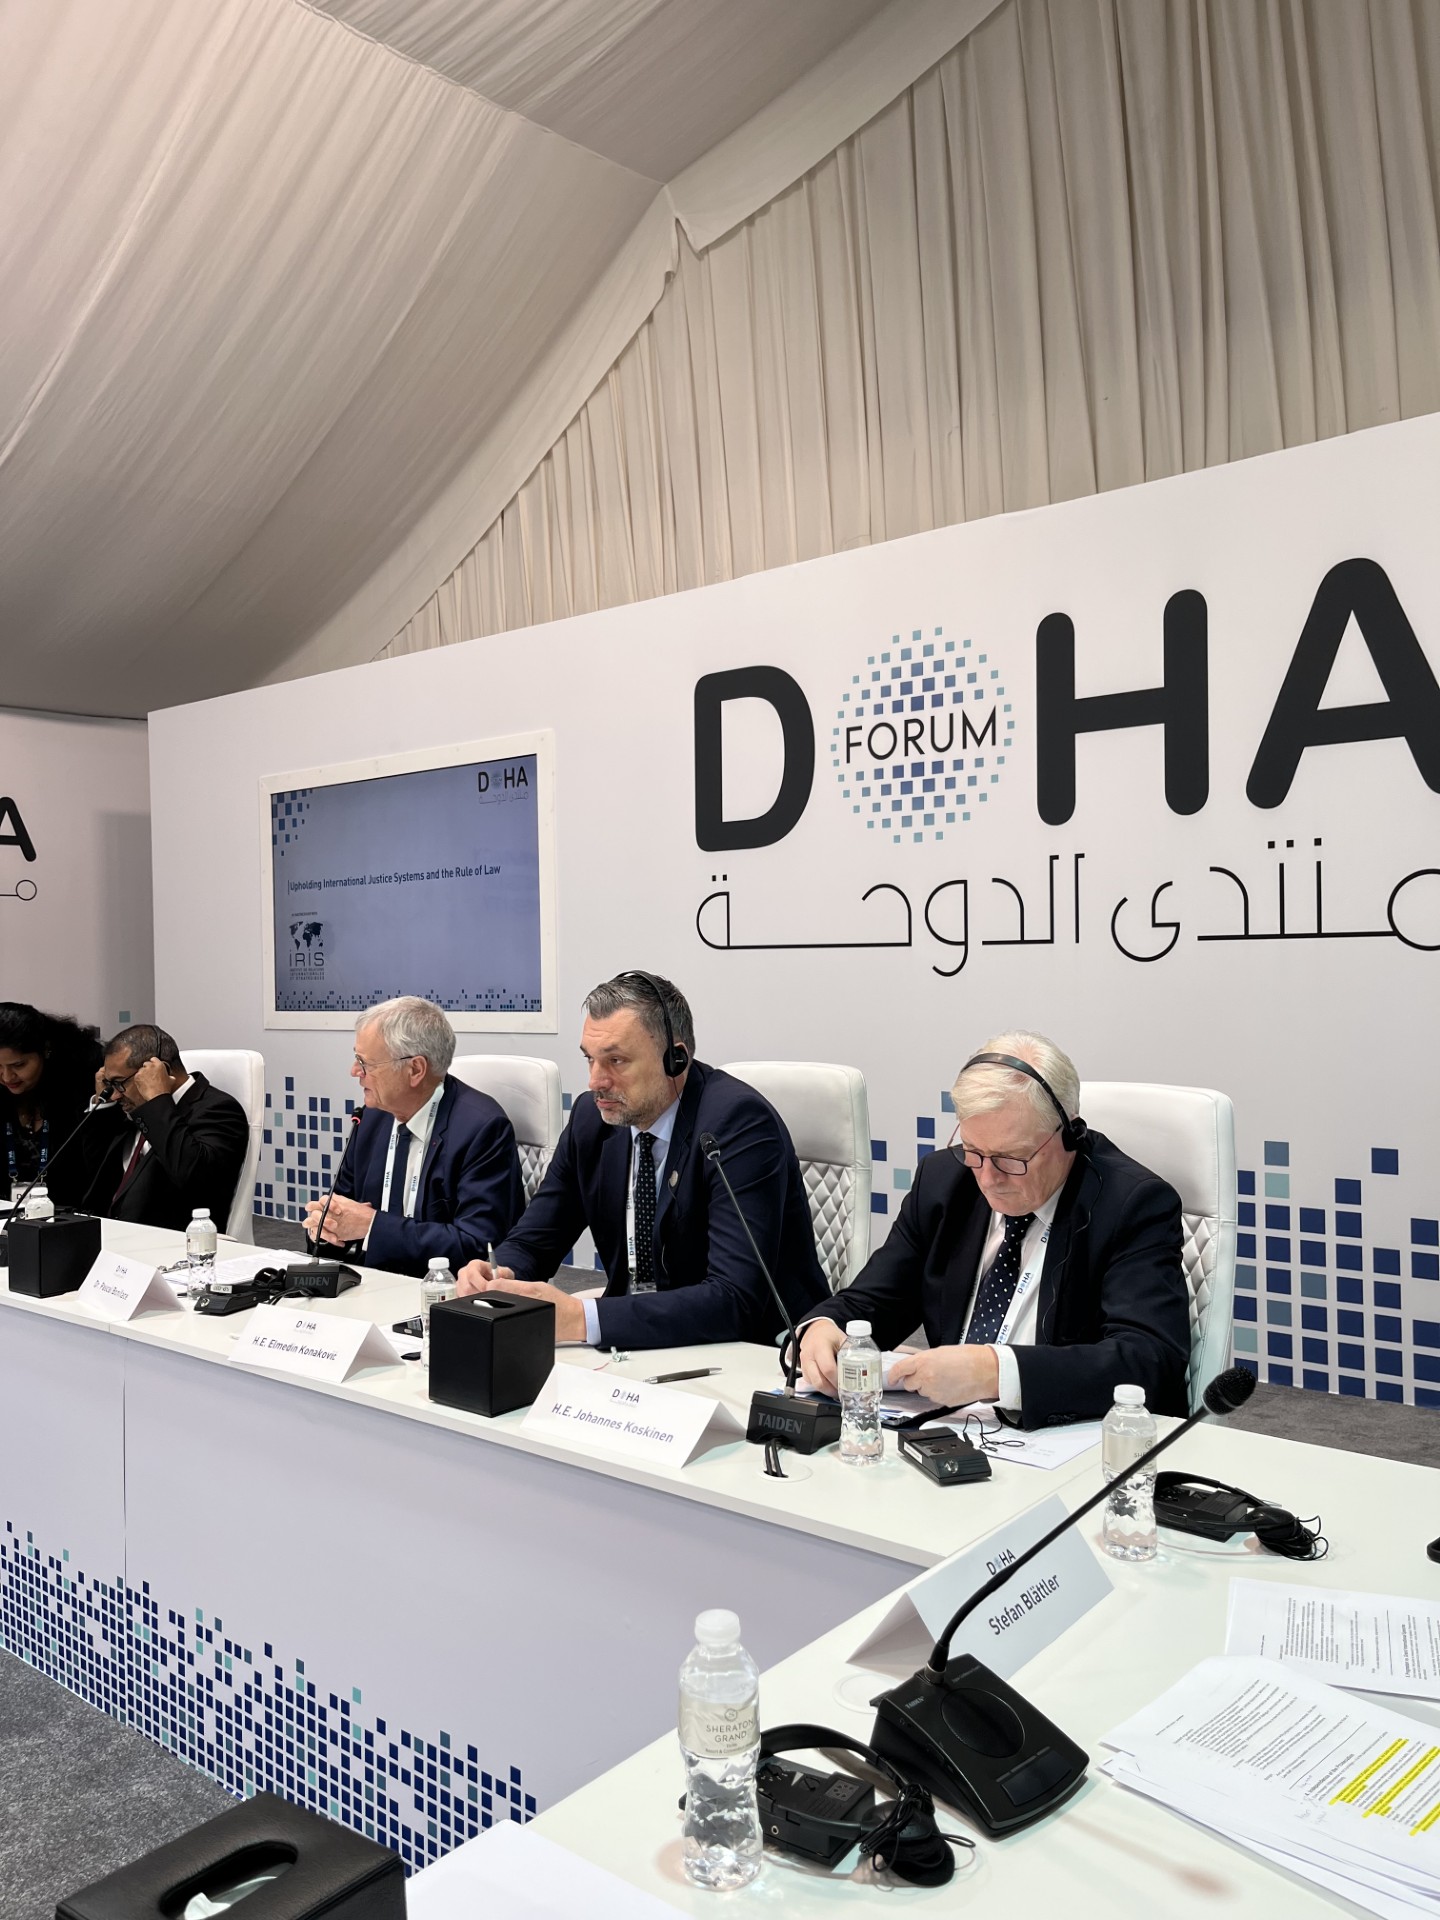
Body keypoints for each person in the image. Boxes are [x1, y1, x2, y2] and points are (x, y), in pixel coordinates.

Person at [798, 1033, 1190, 1426]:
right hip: (950, 1430)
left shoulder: (1132, 1204)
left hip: (1071, 1434)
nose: (988, 1179)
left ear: (1070, 1135)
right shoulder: (943, 1181)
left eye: (1011, 1158)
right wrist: (824, 1328)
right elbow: (875, 1300)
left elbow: (1148, 1359)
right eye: (974, 1151)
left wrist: (995, 1371)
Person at [456, 971, 828, 1349]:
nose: (595, 1081)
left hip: (752, 1351)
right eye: (590, 1059)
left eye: (616, 1060)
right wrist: (501, 1272)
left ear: (675, 1060)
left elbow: (734, 1299)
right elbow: (534, 1241)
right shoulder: (590, 1119)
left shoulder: (736, 1124)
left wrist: (580, 1319)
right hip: (635, 1343)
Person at [302, 997, 523, 1277]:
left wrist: (372, 1226)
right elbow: (342, 1214)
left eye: (365, 1063)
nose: (354, 1071)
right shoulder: (370, 1119)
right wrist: (324, 1230)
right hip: (370, 1285)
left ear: (415, 1069)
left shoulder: (482, 1129)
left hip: (442, 1291)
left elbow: (478, 1245)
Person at [75, 1024, 251, 1231]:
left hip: (167, 1238)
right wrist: (103, 1106)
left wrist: (158, 1100)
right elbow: (98, 1173)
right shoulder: (131, 1107)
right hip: (105, 1232)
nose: (114, 1095)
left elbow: (196, 1179)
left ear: (162, 1071)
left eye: (120, 1083)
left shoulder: (219, 1110)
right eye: (110, 1084)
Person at [0, 1003, 104, 1205]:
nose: (7, 1077)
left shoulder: (81, 1081)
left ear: (46, 1050)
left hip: (74, 1208)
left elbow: (96, 1167)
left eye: (18, 1065)